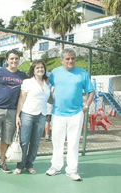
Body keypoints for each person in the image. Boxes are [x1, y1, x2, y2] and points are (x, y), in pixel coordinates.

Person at [45, 48, 95, 181]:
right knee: (57, 141)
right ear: (62, 60)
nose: (70, 61)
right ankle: (55, 167)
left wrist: (86, 106)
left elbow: (91, 91)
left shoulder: (82, 73)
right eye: (67, 59)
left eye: (72, 58)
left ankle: (72, 170)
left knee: (73, 142)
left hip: (76, 114)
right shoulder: (55, 73)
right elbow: (46, 88)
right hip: (58, 113)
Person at [13, 60, 51, 175]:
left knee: (35, 142)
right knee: (24, 141)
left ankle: (30, 165)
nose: (40, 69)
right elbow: (21, 99)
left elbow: (49, 98)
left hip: (41, 115)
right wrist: (17, 116)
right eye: (37, 68)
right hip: (27, 114)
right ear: (33, 71)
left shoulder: (47, 83)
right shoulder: (27, 82)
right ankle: (20, 165)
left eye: (42, 67)